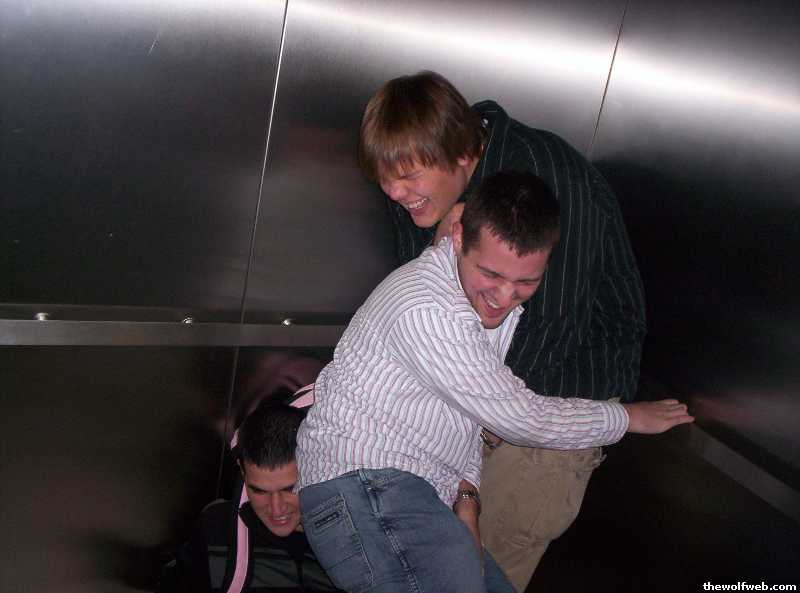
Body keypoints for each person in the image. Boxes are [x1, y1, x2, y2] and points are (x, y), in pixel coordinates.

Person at [296, 171, 691, 593]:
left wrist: (467, 499)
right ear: (458, 237)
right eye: (491, 274)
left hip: (408, 492)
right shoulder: (428, 308)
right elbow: (523, 418)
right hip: (364, 485)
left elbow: (468, 418)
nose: (503, 297)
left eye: (525, 283)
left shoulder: (474, 302)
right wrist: (628, 417)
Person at [359, 70, 648, 591]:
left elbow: (555, 316)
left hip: (556, 399)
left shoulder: (543, 174)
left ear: (462, 154)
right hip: (474, 397)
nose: (396, 192)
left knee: (480, 572)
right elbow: (422, 292)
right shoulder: (422, 190)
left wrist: (481, 417)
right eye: (385, 178)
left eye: (409, 177)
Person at [158, 402, 341, 593]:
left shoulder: (350, 535)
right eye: (259, 491)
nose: (276, 509)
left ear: (315, 470)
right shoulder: (217, 530)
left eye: (290, 489)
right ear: (243, 472)